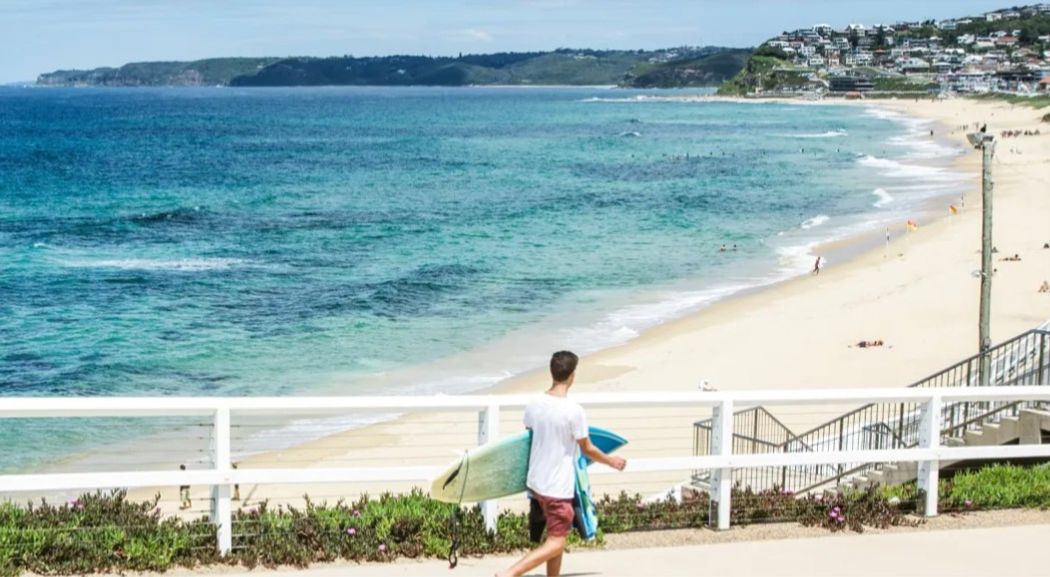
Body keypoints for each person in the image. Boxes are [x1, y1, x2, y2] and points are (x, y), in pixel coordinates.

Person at [497, 351, 626, 577]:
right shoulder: (573, 411)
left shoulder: (535, 404)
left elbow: (530, 435)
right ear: (572, 375)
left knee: (555, 535)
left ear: (553, 372)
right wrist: (611, 461)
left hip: (536, 483)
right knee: (557, 542)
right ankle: (509, 574)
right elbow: (587, 448)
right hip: (557, 487)